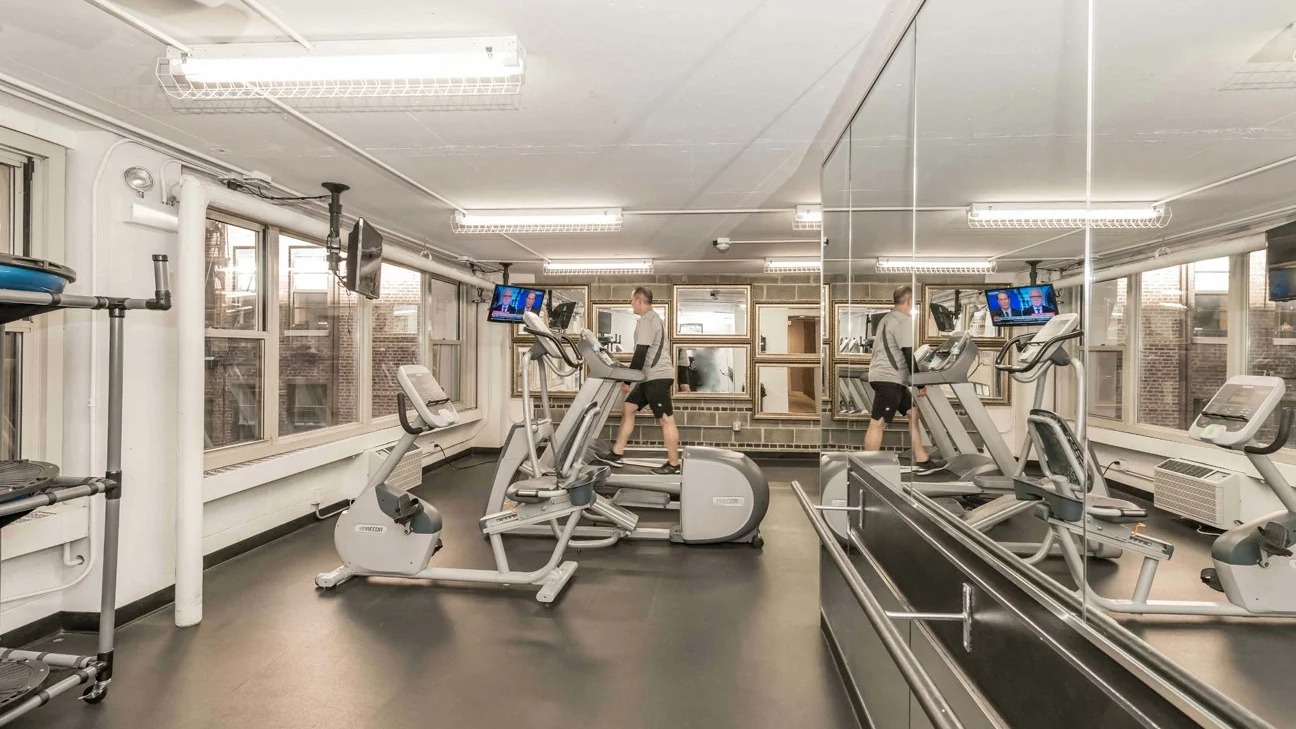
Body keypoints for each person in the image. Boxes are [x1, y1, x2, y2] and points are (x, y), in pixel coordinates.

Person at [598, 287, 682, 475]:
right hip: (648, 376)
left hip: (657, 377)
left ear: (639, 301)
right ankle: (617, 452)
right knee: (628, 408)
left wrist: (628, 380)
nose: (631, 304)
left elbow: (641, 352)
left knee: (666, 419)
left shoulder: (647, 320)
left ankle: (674, 464)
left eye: (631, 301)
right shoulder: (653, 318)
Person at [864, 285, 940, 470]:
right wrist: (919, 383)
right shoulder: (903, 321)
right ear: (909, 301)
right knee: (878, 423)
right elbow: (908, 353)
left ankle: (921, 457)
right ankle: (866, 466)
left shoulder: (886, 318)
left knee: (913, 413)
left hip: (889, 377)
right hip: (889, 378)